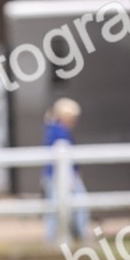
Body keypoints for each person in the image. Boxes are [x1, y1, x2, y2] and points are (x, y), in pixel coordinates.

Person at [42, 98, 90, 242]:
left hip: (54, 175)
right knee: (78, 204)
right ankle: (79, 234)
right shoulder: (59, 132)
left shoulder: (52, 129)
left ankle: (55, 237)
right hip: (60, 176)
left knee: (56, 206)